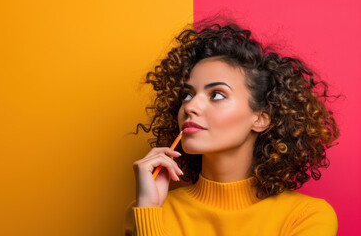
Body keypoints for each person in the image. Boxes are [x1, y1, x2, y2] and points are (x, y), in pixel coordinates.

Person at [124, 18, 341, 236]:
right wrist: (148, 210)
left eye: (216, 94)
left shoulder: (307, 217)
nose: (190, 106)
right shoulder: (146, 212)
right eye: (187, 94)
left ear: (260, 119)